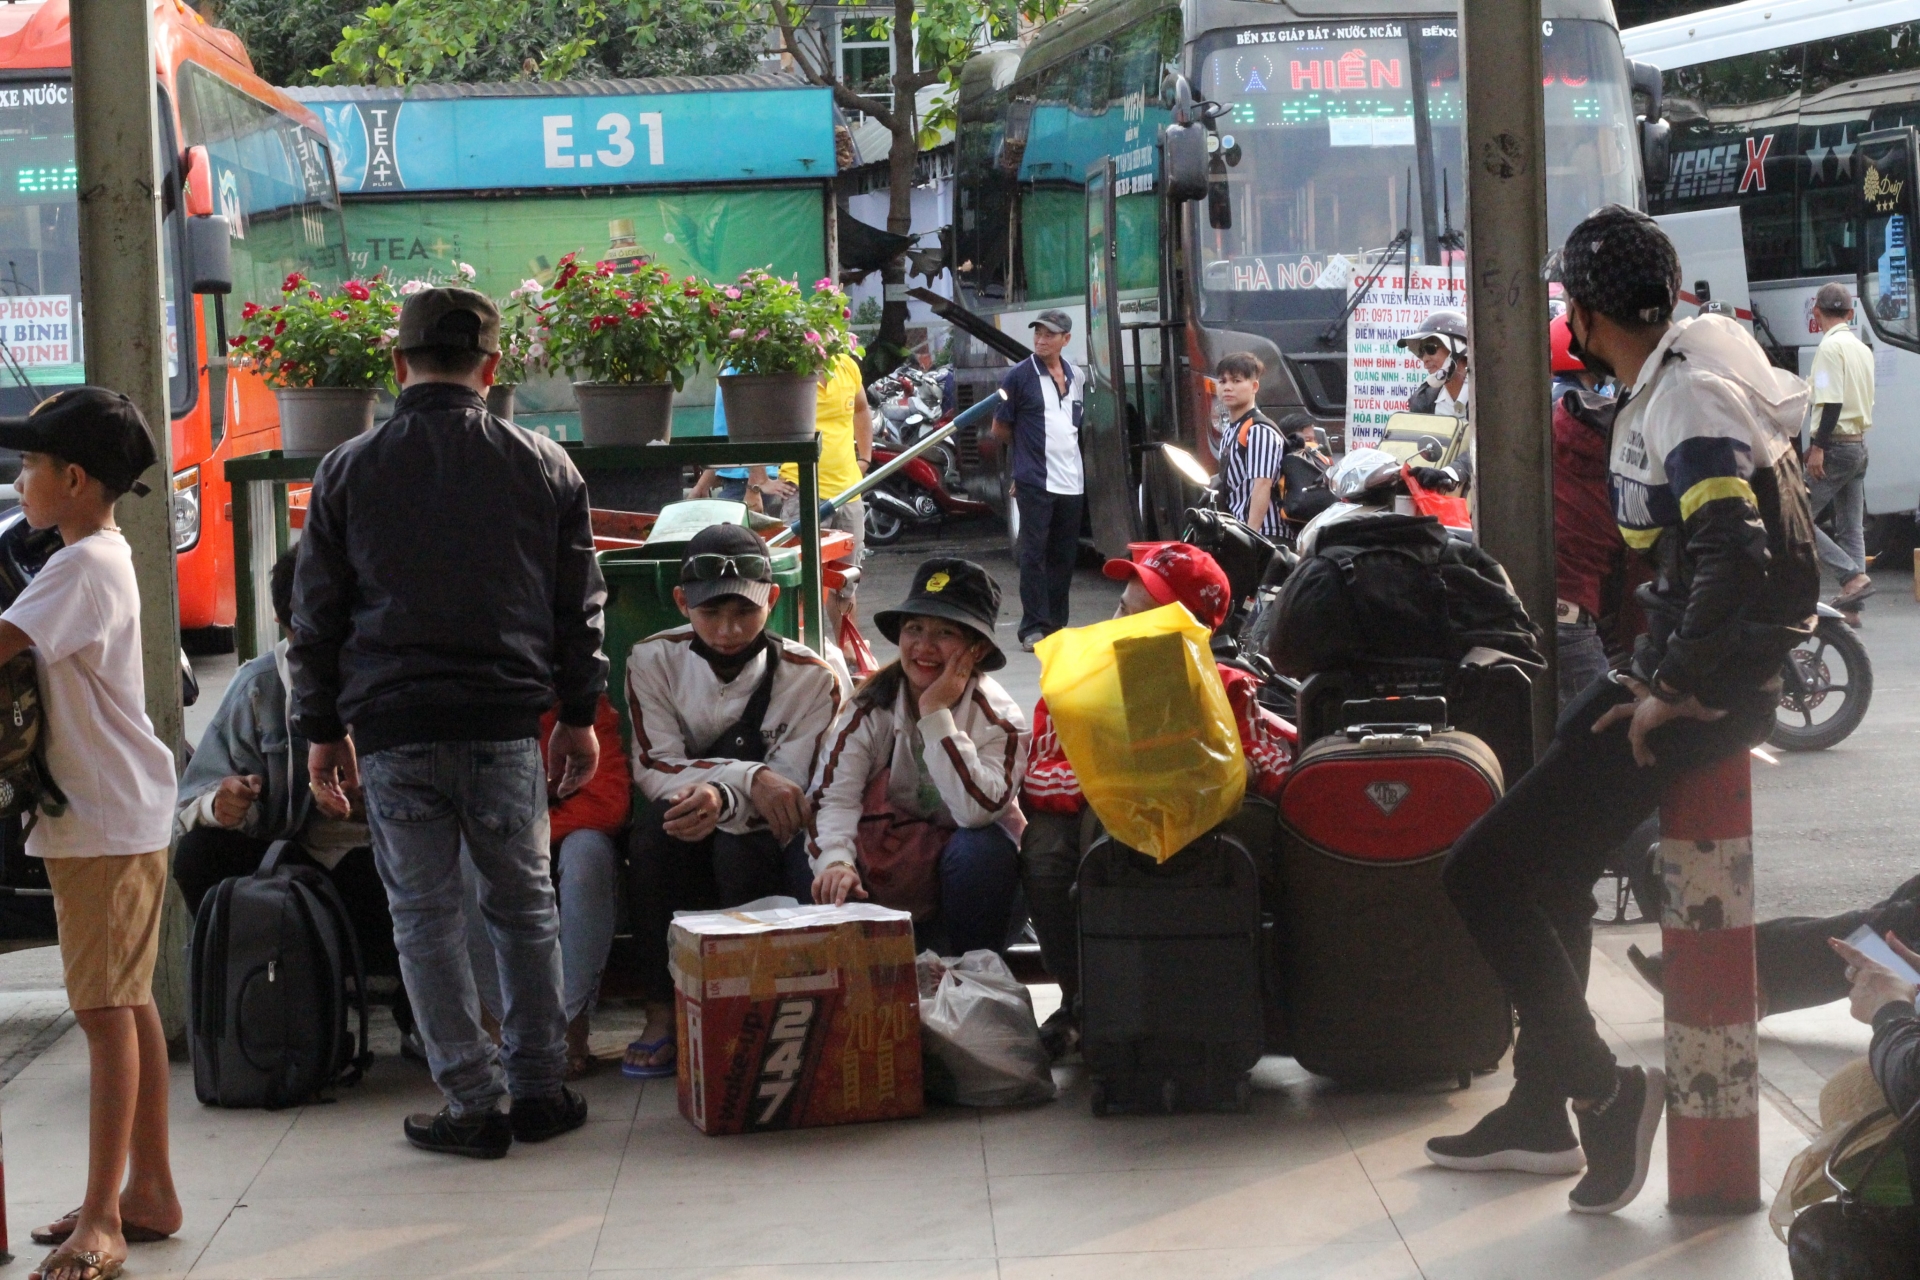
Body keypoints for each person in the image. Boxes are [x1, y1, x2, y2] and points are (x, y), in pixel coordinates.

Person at [1429, 206, 1819, 1214]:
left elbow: (1734, 551)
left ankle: (1605, 1091)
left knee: (1479, 871)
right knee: (1543, 866)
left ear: (1590, 315)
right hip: (1685, 670)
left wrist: (1671, 681)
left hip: (1699, 692)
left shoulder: (1686, 400)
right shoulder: (1704, 355)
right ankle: (1544, 1104)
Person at [289, 286, 607, 1161]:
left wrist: (322, 728)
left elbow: (315, 618)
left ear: (397, 366)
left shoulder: (346, 470)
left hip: (393, 730)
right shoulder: (545, 464)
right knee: (523, 907)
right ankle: (540, 1089)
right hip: (507, 725)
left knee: (423, 920)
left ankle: (473, 1103)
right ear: (492, 368)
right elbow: (577, 609)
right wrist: (576, 716)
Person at [0, 389, 182, 1280]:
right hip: (120, 811)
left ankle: (105, 1220)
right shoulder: (92, 554)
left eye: (31, 465)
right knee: (128, 1000)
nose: (20, 478)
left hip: (105, 820)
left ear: (73, 479)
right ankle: (148, 1188)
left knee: (103, 1012)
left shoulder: (78, 569)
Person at [1021, 541, 1296, 1056]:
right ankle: (1082, 997)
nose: (1121, 626)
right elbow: (1038, 777)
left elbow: (1276, 768)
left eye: (1144, 618)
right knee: (1044, 849)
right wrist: (1109, 779)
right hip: (1102, 823)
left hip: (1205, 831)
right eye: (1123, 609)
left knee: (1263, 833)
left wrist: (1219, 770)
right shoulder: (1075, 687)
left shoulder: (1231, 689)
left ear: (1194, 636)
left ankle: (1246, 993)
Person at [621, 522, 845, 1078]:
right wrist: (742, 779)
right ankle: (662, 1009)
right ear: (681, 602)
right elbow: (653, 764)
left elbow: (791, 788)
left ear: (771, 598)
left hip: (764, 833)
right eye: (710, 613)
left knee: (740, 846)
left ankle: (746, 1010)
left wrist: (725, 798)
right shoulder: (652, 661)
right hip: (688, 813)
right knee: (655, 836)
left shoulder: (814, 678)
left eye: (743, 613)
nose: (727, 630)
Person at [174, 548, 415, 1052]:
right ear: (283, 626)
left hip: (387, 865)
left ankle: (420, 1014)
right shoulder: (260, 687)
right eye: (307, 636)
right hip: (298, 874)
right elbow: (191, 799)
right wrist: (223, 805)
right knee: (200, 853)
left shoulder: (397, 677)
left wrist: (369, 795)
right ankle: (274, 1002)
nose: (323, 654)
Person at [804, 558, 1028, 955]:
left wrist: (936, 715)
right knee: (808, 855)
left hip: (962, 893)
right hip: (881, 878)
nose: (924, 647)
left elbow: (976, 811)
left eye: (944, 633)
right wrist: (837, 863)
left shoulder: (1001, 718)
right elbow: (833, 796)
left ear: (975, 650)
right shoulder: (872, 705)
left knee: (982, 849)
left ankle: (970, 975)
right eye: (915, 629)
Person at [465, 693, 628, 1081]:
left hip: (550, 834)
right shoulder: (469, 711)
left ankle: (569, 1025)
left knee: (590, 854)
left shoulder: (582, 709)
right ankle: (496, 1022)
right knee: (465, 859)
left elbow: (608, 804)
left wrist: (525, 835)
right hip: (494, 839)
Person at [991, 311, 1083, 650]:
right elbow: (1000, 428)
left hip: (1071, 480)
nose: (1042, 339)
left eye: (1050, 334)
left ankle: (1057, 624)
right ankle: (1032, 627)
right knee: (1033, 554)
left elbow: (1075, 425)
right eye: (1038, 333)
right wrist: (1023, 467)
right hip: (1035, 480)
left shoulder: (1077, 376)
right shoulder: (1019, 376)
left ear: (1065, 340)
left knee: (1063, 555)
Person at [775, 348, 872, 639]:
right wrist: (759, 480)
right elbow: (756, 418)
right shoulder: (791, 369)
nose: (827, 337)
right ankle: (802, 651)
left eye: (833, 330)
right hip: (802, 489)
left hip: (848, 492)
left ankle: (846, 651)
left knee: (846, 581)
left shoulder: (847, 366)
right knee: (804, 581)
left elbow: (861, 409)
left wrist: (865, 458)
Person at [1805, 281, 1877, 611]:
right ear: (1850, 313)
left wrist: (1817, 447)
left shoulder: (1829, 349)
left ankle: (1850, 577)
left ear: (1817, 312)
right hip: (1858, 446)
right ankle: (1852, 608)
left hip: (1833, 447)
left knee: (1795, 518)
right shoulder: (1862, 348)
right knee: (1851, 528)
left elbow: (1830, 402)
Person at [1400, 309, 1474, 494]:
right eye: (1421, 352)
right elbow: (1412, 445)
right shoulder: (1423, 400)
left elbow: (1488, 446)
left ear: (1459, 350)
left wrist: (1450, 472)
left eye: (1431, 349)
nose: (1425, 359)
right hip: (1438, 497)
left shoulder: (1487, 396)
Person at [1212, 353, 1285, 539]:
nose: (1227, 387)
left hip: (1266, 536)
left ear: (1254, 386)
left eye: (1236, 381)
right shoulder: (1231, 430)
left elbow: (1262, 484)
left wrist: (1251, 538)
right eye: (1222, 381)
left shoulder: (1258, 430)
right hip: (1240, 532)